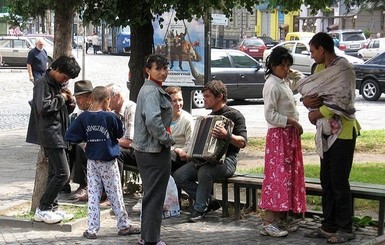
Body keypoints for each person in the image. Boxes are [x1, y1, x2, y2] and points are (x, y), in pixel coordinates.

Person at [299, 32, 360, 243]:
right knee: (326, 180)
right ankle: (328, 224)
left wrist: (318, 113)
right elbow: (311, 94)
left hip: (343, 132)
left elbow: (343, 100)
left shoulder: (344, 69)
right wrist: (307, 103)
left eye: (312, 51)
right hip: (325, 133)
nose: (311, 55)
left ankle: (345, 228)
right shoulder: (319, 69)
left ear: (321, 49)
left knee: (339, 181)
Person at [64, 86, 140, 239]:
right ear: (106, 100)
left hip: (92, 161)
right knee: (115, 193)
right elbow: (119, 133)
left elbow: (70, 135)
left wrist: (87, 139)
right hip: (108, 161)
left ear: (91, 99)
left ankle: (92, 229)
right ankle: (123, 225)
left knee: (93, 194)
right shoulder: (110, 117)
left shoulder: (84, 117)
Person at [173, 79, 247, 222]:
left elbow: (243, 142)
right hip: (204, 161)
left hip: (227, 161)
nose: (204, 99)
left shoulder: (234, 115)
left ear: (219, 96)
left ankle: (200, 209)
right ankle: (210, 201)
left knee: (205, 171)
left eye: (207, 96)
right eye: (204, 96)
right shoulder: (207, 118)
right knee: (179, 175)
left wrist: (227, 135)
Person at [258, 46, 307, 237]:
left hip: (288, 135)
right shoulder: (271, 84)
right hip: (279, 136)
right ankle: (269, 221)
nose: (286, 69)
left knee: (286, 177)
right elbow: (270, 114)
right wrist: (292, 122)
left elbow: (301, 79)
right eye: (282, 66)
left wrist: (290, 71)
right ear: (273, 65)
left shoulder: (283, 81)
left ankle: (279, 219)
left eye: (288, 66)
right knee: (276, 178)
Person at [26, 55, 81, 224]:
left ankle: (52, 208)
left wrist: (70, 101)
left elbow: (64, 110)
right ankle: (43, 208)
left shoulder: (57, 84)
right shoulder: (42, 83)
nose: (65, 80)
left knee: (54, 174)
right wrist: (61, 98)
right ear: (56, 69)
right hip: (50, 134)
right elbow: (43, 108)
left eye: (68, 79)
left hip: (60, 132)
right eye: (64, 77)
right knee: (63, 174)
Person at [133, 54, 174, 245]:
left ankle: (147, 237)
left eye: (165, 68)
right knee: (154, 197)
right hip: (153, 151)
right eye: (159, 68)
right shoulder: (151, 92)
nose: (163, 72)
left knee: (152, 195)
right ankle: (151, 239)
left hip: (150, 150)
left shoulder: (152, 89)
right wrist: (166, 140)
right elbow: (152, 121)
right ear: (148, 70)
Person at [66, 80, 94, 201]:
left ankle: (84, 184)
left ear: (90, 97)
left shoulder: (97, 111)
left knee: (80, 147)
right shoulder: (81, 113)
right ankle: (63, 182)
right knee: (67, 145)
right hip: (86, 142)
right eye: (76, 98)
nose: (78, 101)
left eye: (80, 98)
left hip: (98, 144)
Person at [106, 83, 137, 178]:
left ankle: (114, 190)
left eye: (108, 98)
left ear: (117, 97)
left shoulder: (131, 109)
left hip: (137, 150)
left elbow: (129, 142)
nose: (105, 101)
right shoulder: (113, 113)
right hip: (123, 147)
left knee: (115, 152)